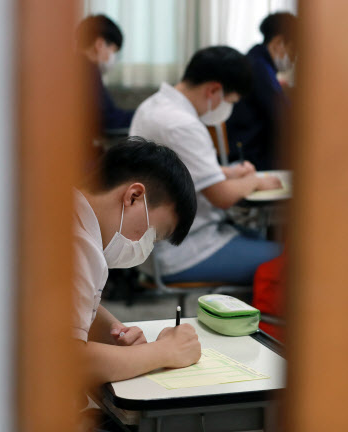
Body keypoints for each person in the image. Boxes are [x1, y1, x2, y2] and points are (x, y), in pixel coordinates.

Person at [130, 46, 283, 286]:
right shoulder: (183, 125)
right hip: (185, 251)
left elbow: (173, 169)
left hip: (154, 247)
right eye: (230, 101)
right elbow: (222, 197)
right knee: (292, 259)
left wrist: (228, 172)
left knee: (263, 242)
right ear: (213, 90)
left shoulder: (152, 107)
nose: (227, 109)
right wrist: (255, 181)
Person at [73, 137, 201, 396]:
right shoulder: (78, 245)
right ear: (134, 196)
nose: (147, 245)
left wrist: (113, 330)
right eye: (155, 234)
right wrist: (164, 352)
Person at [226, 12, 297, 170]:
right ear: (279, 42)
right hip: (253, 157)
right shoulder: (259, 68)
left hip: (249, 150)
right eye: (293, 50)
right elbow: (283, 115)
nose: (293, 59)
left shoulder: (256, 61)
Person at [76, 14, 134, 133]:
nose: (114, 57)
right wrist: (142, 114)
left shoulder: (72, 67)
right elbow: (108, 119)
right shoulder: (88, 73)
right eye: (113, 50)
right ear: (100, 44)